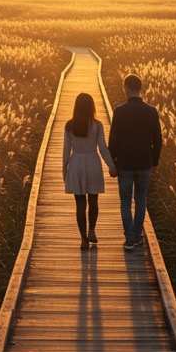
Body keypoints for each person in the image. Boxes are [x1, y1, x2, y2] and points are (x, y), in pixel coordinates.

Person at [108, 73, 162, 251]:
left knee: (125, 201)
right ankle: (137, 236)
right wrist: (154, 162)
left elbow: (113, 141)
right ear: (140, 89)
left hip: (124, 164)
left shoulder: (119, 111)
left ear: (127, 89)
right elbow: (158, 140)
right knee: (140, 200)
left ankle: (129, 238)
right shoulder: (152, 111)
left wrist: (112, 163)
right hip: (144, 164)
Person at [62, 92, 117, 250]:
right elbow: (103, 149)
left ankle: (83, 239)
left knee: (80, 204)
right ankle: (92, 230)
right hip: (93, 163)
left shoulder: (69, 126)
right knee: (93, 201)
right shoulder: (97, 125)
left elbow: (66, 151)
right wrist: (112, 166)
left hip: (76, 163)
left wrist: (64, 171)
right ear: (91, 107)